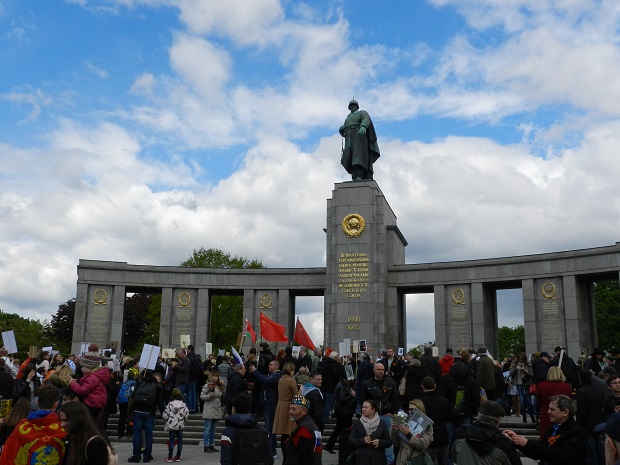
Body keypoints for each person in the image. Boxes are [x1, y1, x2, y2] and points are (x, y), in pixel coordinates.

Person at [504, 395, 587, 465]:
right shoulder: (553, 428)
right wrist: (517, 441)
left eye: (552, 409)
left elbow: (559, 456)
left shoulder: (577, 433)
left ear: (565, 412)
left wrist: (527, 443)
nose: (548, 411)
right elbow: (539, 452)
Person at [0, 384, 66, 465]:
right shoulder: (63, 429)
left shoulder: (21, 427)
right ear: (56, 404)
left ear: (37, 402)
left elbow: (8, 454)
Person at [450, 399, 521, 465]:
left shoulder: (460, 434)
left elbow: (453, 457)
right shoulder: (503, 443)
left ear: (479, 415)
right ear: (498, 419)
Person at [361, 362, 399, 465]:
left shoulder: (390, 383)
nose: (380, 371)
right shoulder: (367, 384)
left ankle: (389, 461)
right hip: (372, 416)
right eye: (378, 369)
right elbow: (362, 399)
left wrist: (392, 412)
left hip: (386, 415)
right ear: (374, 370)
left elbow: (395, 398)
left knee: (388, 440)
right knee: (371, 439)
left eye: (382, 369)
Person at [220, 392, 274, 465]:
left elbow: (226, 460)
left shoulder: (228, 432)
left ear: (234, 409)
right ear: (249, 409)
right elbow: (270, 459)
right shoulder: (263, 431)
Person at [58, 400, 116, 465]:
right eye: (61, 420)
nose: (62, 424)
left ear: (79, 419)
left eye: (65, 420)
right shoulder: (68, 440)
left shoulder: (95, 444)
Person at [128, 369, 166, 463]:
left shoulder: (139, 383)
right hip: (150, 412)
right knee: (149, 435)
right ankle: (147, 456)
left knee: (137, 434)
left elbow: (133, 397)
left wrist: (130, 411)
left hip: (138, 411)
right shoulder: (158, 386)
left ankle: (136, 456)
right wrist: (163, 413)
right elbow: (161, 402)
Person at [339, 99, 380, 181]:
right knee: (348, 156)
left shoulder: (362, 113)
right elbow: (343, 130)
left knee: (358, 156)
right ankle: (354, 175)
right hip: (349, 137)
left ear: (357, 106)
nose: (353, 106)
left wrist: (363, 126)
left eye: (354, 105)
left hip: (359, 135)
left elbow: (366, 119)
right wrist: (341, 129)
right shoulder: (347, 118)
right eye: (351, 105)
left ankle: (359, 175)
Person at [250, 359, 283, 457]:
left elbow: (266, 381)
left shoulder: (277, 375)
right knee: (269, 427)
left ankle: (272, 451)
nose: (269, 366)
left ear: (276, 367)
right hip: (265, 404)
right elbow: (263, 378)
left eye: (271, 365)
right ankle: (270, 449)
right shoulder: (270, 375)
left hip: (270, 404)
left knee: (270, 428)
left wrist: (255, 371)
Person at [418, 377, 451, 465]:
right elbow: (448, 418)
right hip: (443, 437)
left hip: (427, 440)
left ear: (422, 387)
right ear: (435, 386)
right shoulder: (444, 401)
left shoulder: (419, 402)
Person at [68, 352, 109, 421]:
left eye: (83, 367)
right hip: (95, 403)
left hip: (91, 404)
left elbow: (83, 390)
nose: (81, 369)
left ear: (90, 367)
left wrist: (72, 383)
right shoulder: (94, 377)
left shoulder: (92, 378)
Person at [349, 400, 392, 465]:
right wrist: (363, 440)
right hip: (361, 459)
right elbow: (350, 440)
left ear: (373, 410)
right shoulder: (357, 423)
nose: (363, 409)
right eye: (362, 407)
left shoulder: (381, 423)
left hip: (378, 459)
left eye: (366, 407)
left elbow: (389, 442)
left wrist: (380, 442)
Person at [575, 368, 604, 465]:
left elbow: (581, 410)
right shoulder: (597, 390)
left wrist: (579, 425)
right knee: (599, 449)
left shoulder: (581, 391)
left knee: (590, 451)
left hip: (587, 425)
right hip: (598, 423)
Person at [391, 399, 433, 465]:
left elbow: (423, 445)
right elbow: (397, 443)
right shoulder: (406, 422)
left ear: (420, 410)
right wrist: (395, 430)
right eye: (409, 409)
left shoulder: (427, 425)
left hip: (416, 460)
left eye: (413, 409)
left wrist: (408, 434)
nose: (410, 412)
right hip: (402, 459)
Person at [535, 366, 572, 438]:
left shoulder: (541, 385)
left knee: (546, 437)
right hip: (561, 415)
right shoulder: (566, 387)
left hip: (546, 414)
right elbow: (570, 402)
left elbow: (538, 402)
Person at [273, 361, 300, 461]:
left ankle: (284, 454)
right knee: (289, 431)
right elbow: (296, 395)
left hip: (281, 405)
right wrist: (300, 389)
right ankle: (288, 455)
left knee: (284, 433)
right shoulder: (291, 380)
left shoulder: (281, 379)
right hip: (289, 406)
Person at [285, 394, 322, 465]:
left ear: (303, 410)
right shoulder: (310, 424)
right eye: (290, 408)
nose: (290, 412)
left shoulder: (304, 429)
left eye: (293, 409)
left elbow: (304, 456)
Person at [324, 376, 357, 454]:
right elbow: (342, 399)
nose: (349, 381)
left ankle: (330, 445)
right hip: (343, 411)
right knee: (342, 429)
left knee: (339, 429)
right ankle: (339, 445)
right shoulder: (341, 386)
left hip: (346, 411)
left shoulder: (345, 385)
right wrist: (351, 396)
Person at [162, 387, 189, 462]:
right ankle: (178, 456)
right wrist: (184, 421)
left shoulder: (170, 404)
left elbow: (165, 415)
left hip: (172, 425)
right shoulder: (183, 404)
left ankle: (170, 457)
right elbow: (186, 414)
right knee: (180, 441)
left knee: (171, 441)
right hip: (180, 424)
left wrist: (165, 420)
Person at [509, 353, 536, 424]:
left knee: (529, 401)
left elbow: (532, 375)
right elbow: (511, 373)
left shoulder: (528, 365)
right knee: (522, 401)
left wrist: (526, 372)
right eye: (520, 360)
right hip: (519, 384)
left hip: (526, 384)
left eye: (522, 360)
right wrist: (516, 369)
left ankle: (532, 416)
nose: (521, 361)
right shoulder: (514, 365)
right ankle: (524, 417)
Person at [201, 371, 224, 453]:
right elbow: (202, 396)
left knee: (213, 429)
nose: (215, 378)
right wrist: (209, 396)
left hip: (217, 409)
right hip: (209, 408)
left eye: (216, 376)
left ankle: (211, 444)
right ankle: (205, 445)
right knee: (207, 428)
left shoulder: (219, 386)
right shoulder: (207, 385)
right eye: (214, 376)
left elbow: (222, 394)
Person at [116, 370, 136, 438]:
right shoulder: (134, 383)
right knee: (129, 417)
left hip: (121, 402)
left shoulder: (123, 383)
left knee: (122, 417)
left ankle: (120, 433)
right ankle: (129, 432)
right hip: (129, 402)